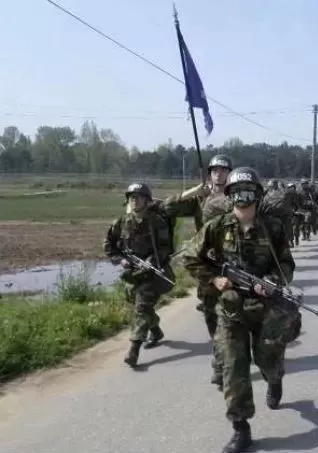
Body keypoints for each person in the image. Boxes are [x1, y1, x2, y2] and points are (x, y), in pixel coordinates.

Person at [182, 167, 297, 452]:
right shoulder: (217, 227)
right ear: (229, 197)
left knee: (267, 361)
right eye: (236, 194)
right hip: (231, 309)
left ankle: (275, 379)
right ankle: (240, 428)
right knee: (233, 368)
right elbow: (189, 257)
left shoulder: (273, 228)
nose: (242, 200)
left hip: (265, 307)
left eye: (248, 193)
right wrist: (215, 279)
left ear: (257, 196)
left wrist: (270, 282)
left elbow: (286, 265)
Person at [160, 153, 233, 389]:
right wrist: (192, 193)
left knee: (237, 312)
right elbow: (167, 208)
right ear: (210, 174)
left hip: (235, 260)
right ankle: (220, 358)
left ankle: (231, 356)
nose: (219, 174)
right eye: (215, 170)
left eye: (223, 170)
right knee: (212, 314)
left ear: (229, 173)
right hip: (207, 262)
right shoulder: (201, 199)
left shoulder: (236, 195)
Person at [104, 183, 174, 367]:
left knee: (141, 308)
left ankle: (133, 350)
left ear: (147, 200)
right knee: (133, 300)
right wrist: (121, 260)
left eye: (139, 197)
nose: (134, 201)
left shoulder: (156, 221)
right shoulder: (122, 222)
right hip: (133, 272)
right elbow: (109, 244)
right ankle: (156, 331)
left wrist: (153, 259)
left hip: (153, 273)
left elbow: (166, 248)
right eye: (131, 197)